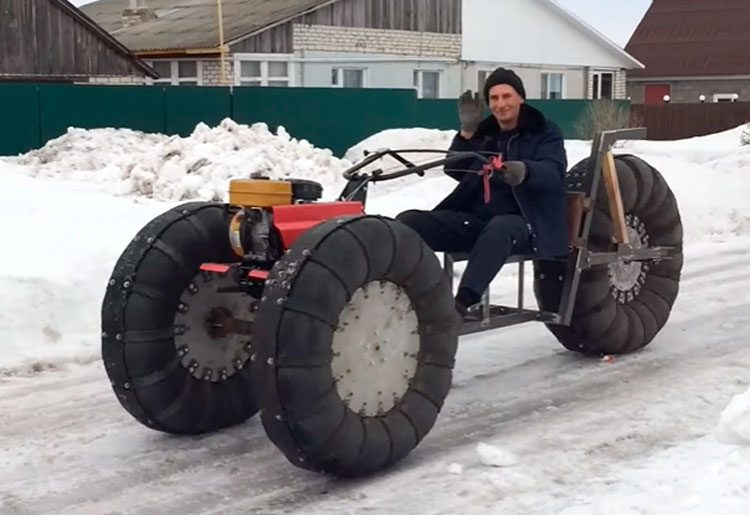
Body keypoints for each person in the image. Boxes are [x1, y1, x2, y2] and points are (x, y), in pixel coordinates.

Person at [396, 67, 569, 318]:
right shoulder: (486, 134)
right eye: (494, 98)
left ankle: (461, 304)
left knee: (500, 227)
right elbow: (455, 169)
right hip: (477, 221)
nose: (501, 104)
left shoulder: (544, 130)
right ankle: (414, 297)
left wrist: (524, 171)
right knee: (408, 222)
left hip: (525, 224)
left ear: (520, 98)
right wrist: (467, 132)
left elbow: (554, 172)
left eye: (507, 96)